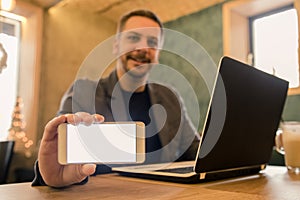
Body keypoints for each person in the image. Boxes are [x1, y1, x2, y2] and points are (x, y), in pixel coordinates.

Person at [32, 9, 200, 188]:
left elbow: (196, 151)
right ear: (116, 46)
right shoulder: (85, 92)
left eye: (152, 42)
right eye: (134, 38)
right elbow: (58, 160)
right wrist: (50, 175)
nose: (143, 48)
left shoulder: (170, 98)